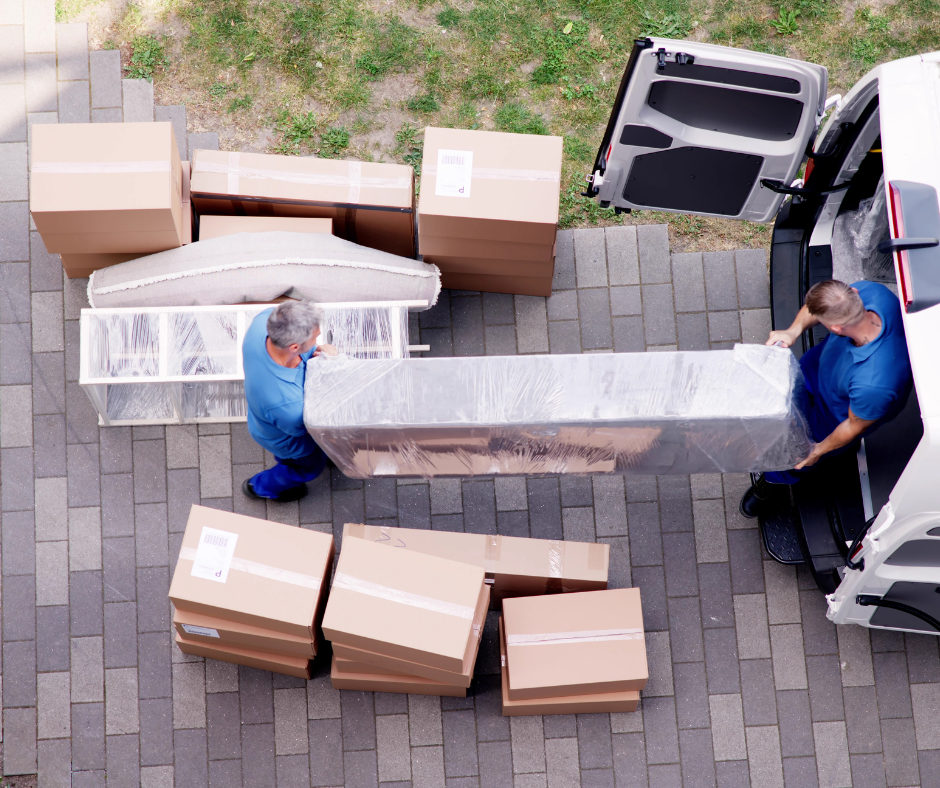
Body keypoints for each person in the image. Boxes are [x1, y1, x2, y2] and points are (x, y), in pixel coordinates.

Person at [740, 279, 913, 518]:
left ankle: (776, 480)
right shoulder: (872, 292)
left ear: (835, 329)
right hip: (819, 369)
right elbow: (815, 307)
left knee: (796, 452)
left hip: (834, 414)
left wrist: (818, 450)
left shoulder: (875, 383)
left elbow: (853, 425)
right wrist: (794, 330)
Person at [241, 301, 337, 503]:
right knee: (306, 468)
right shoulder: (288, 406)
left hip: (264, 418)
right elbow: (311, 427)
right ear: (294, 347)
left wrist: (317, 353)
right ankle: (262, 487)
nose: (318, 339)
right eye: (315, 337)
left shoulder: (265, 321)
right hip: (289, 441)